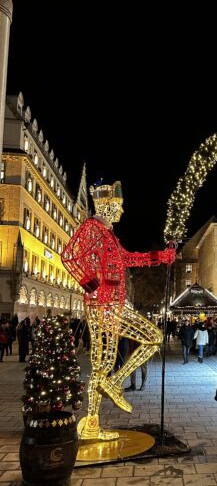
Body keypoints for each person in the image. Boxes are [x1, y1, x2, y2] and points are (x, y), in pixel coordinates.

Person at [62, 180, 175, 441]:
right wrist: (86, 280)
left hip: (111, 304)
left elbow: (129, 258)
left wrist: (160, 257)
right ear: (108, 206)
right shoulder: (92, 228)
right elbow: (69, 255)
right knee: (152, 338)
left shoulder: (109, 234)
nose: (122, 212)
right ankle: (115, 383)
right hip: (103, 303)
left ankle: (92, 422)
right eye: (119, 207)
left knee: (102, 365)